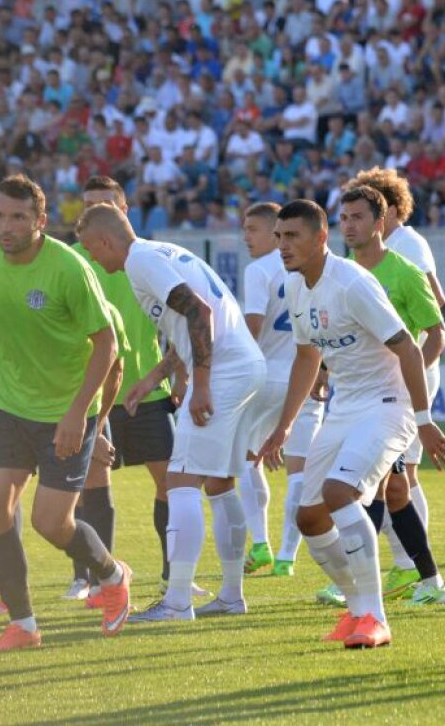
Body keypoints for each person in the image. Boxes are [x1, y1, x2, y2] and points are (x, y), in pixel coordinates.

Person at [258, 200, 445, 649]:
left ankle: (374, 616)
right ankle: (355, 605)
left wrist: (423, 420)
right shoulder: (294, 285)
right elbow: (308, 357)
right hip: (345, 407)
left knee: (338, 493)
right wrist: (284, 428)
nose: (283, 246)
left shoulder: (352, 283)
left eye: (293, 237)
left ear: (321, 237)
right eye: (279, 237)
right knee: (308, 517)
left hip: (389, 403)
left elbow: (407, 347)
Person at [77, 204, 266, 621]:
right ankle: (231, 596)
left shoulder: (140, 261)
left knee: (179, 480)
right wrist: (153, 377)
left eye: (92, 249)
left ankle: (177, 601)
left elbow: (200, 313)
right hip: (245, 365)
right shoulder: (160, 252)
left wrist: (200, 385)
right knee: (219, 482)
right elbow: (190, 326)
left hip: (224, 373)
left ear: (107, 241)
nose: (92, 258)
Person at [0, 175, 133, 650]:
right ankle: (24, 625)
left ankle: (112, 575)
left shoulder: (69, 269)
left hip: (65, 411)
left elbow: (108, 346)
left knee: (50, 524)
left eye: (17, 217)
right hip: (10, 407)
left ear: (39, 221)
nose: (6, 226)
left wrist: (81, 416)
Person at [71, 177, 202, 605]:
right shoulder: (75, 261)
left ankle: (173, 577)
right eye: (88, 205)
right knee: (91, 481)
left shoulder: (147, 258)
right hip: (92, 392)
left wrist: (180, 374)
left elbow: (181, 320)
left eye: (104, 204)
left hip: (147, 390)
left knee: (170, 482)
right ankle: (91, 579)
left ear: (123, 210)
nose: (95, 212)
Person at [339, 183, 445, 606]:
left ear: (381, 222)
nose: (349, 226)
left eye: (358, 217)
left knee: (359, 487)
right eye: (344, 218)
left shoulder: (404, 271)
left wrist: (410, 377)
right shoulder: (342, 270)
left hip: (391, 400)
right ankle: (431, 581)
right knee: (393, 491)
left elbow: (438, 334)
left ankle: (353, 581)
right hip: (353, 395)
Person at [239, 202, 325, 578]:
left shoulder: (259, 270)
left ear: (275, 231)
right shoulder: (313, 267)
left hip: (267, 379)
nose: (247, 237)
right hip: (307, 378)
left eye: (253, 230)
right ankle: (288, 558)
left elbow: (253, 325)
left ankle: (260, 543)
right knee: (299, 471)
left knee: (241, 459)